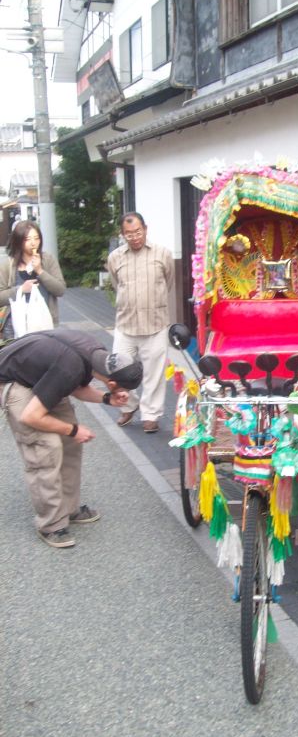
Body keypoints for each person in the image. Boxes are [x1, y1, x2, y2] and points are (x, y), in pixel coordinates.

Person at [0, 329, 143, 548]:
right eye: (118, 389)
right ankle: (51, 524)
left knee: (70, 444)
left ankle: (68, 508)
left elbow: (78, 388)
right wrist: (74, 430)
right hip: (13, 381)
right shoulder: (69, 367)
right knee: (46, 447)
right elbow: (31, 416)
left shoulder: (96, 353)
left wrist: (107, 399)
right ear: (112, 382)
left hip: (42, 376)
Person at [106, 212, 174, 433]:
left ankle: (151, 415)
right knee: (118, 370)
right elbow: (117, 285)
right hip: (126, 323)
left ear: (145, 228)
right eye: (129, 234)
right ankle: (129, 405)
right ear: (122, 234)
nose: (134, 237)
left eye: (137, 232)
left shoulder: (162, 254)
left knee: (154, 373)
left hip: (155, 323)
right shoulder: (115, 257)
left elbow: (169, 282)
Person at [0, 220, 66, 340]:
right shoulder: (7, 265)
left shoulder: (48, 260)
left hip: (44, 322)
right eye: (27, 239)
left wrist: (40, 271)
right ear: (18, 241)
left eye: (36, 238)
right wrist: (20, 290)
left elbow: (60, 290)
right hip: (15, 326)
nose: (33, 243)